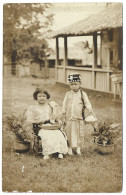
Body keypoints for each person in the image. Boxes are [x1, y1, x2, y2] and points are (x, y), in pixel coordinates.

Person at [24, 88, 68, 160]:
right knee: (47, 135)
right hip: (40, 127)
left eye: (44, 96)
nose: (42, 98)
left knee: (58, 133)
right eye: (40, 96)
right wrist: (41, 121)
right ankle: (48, 153)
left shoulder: (50, 106)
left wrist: (58, 120)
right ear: (36, 97)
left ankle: (60, 152)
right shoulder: (33, 107)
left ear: (47, 97)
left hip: (51, 126)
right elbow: (30, 120)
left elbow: (54, 116)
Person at [62, 73, 96, 155]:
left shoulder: (83, 94)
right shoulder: (68, 94)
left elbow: (87, 103)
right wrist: (63, 115)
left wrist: (90, 111)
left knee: (79, 133)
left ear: (80, 84)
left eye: (75, 84)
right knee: (69, 133)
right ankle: (69, 148)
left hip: (79, 117)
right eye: (71, 84)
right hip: (69, 117)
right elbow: (64, 104)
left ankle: (78, 148)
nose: (73, 86)